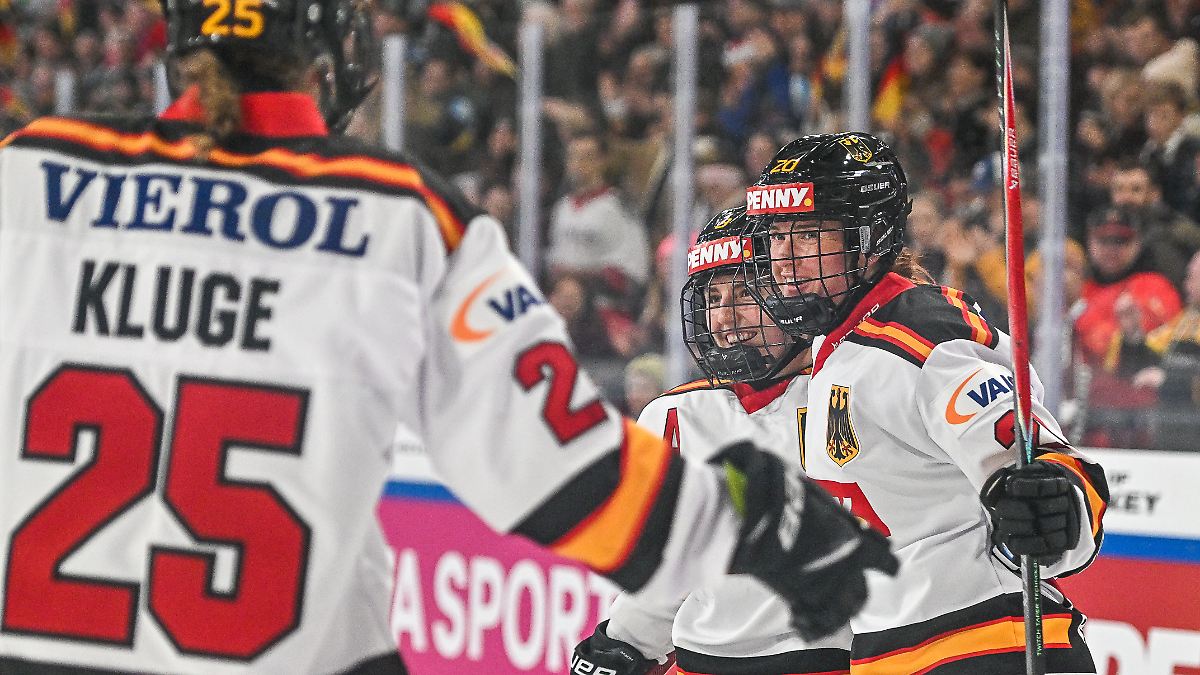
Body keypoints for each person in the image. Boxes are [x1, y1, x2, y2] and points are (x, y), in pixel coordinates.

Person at [0, 6, 896, 674]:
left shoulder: (29, 173)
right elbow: (554, 463)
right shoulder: (399, 215)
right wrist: (755, 530)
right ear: (329, 55)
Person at [744, 132, 1109, 673]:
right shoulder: (838, 347)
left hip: (984, 642)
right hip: (895, 651)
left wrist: (1058, 507)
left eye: (806, 236)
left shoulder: (917, 339)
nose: (783, 259)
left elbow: (1047, 471)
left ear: (866, 240)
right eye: (776, 238)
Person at [573, 207, 884, 675]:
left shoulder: (853, 394)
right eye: (713, 298)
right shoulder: (672, 417)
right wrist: (625, 642)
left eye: (745, 293)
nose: (724, 317)